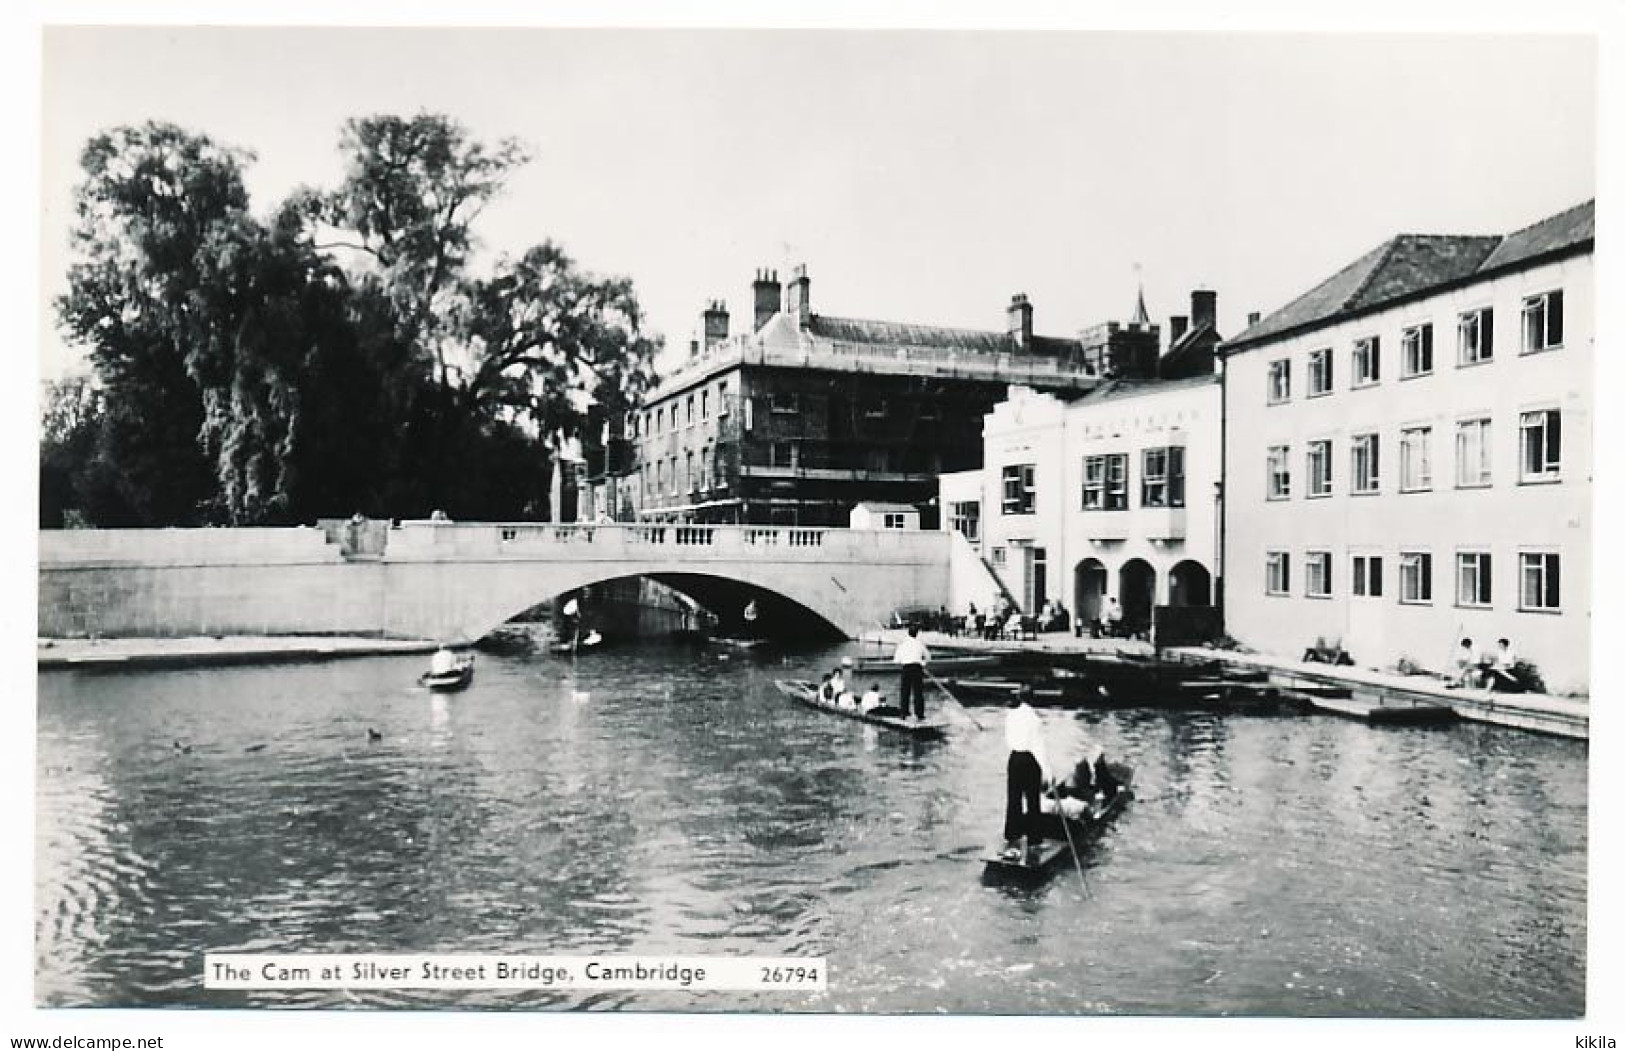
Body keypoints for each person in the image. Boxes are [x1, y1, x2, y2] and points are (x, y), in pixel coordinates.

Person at [1002, 687, 1049, 859]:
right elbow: (1039, 748)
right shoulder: (1034, 719)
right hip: (1030, 760)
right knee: (1032, 799)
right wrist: (1048, 772)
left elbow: (1008, 740)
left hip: (1014, 758)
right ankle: (1034, 839)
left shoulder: (1010, 715)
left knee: (1013, 798)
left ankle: (1012, 834)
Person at [893, 626, 931, 719]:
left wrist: (904, 660)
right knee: (918, 692)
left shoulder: (902, 644)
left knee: (905, 691)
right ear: (916, 634)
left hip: (906, 668)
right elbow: (928, 657)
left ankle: (903, 713)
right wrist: (923, 663)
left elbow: (896, 660)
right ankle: (920, 715)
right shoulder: (919, 644)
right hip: (917, 668)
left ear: (908, 633)